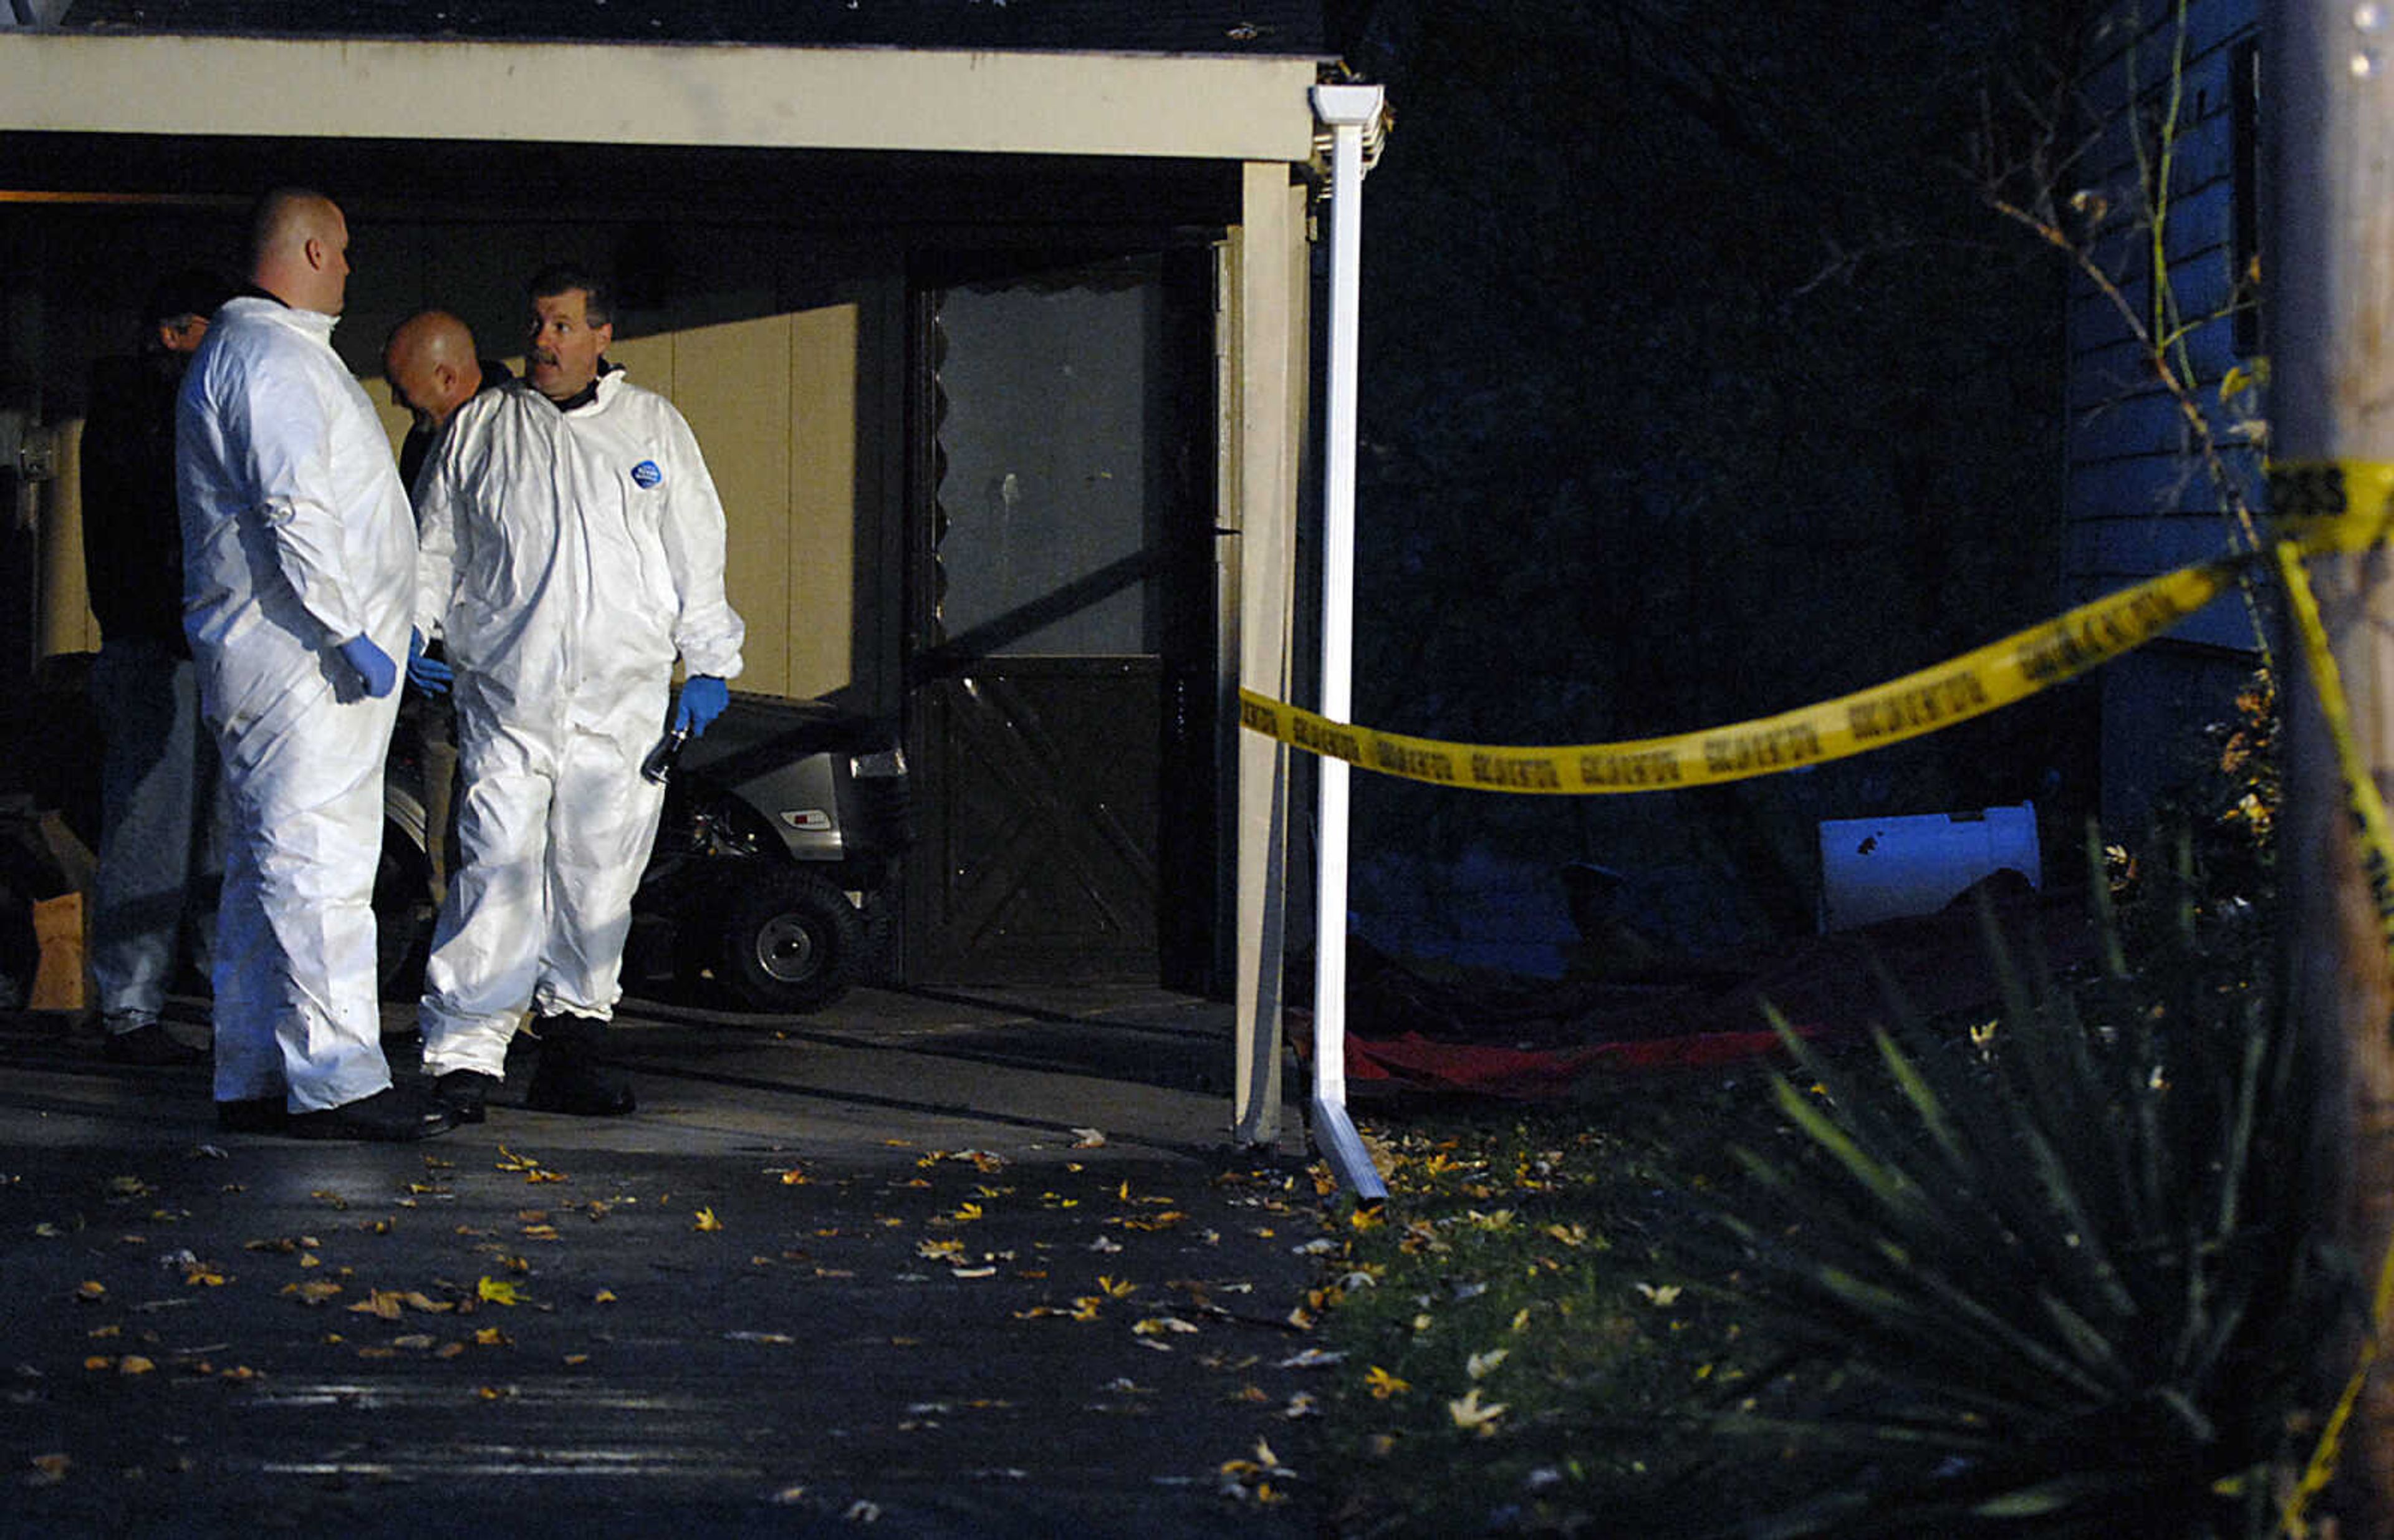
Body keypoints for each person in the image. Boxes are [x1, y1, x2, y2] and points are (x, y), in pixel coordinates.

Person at [412, 262, 743, 1123]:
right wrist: (414, 634)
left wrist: (709, 662)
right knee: (494, 868)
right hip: (508, 697)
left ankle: (575, 1045)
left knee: (598, 875)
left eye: (563, 325)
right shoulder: (481, 430)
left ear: (603, 336)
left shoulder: (653, 431)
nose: (545, 341)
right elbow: (432, 551)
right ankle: (465, 1056)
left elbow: (695, 550)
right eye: (536, 324)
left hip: (620, 702)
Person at [176, 188, 456, 1141]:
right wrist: (354, 632)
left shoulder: (267, 355)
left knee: (266, 874)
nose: (348, 267)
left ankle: (253, 1069)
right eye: (340, 251)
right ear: (305, 248)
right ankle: (339, 1079)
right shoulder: (271, 362)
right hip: (303, 668)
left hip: (296, 663)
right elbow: (295, 514)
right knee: (319, 866)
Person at [80, 267, 232, 1066]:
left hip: (164, 637)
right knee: (164, 821)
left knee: (191, 822)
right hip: (165, 640)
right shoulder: (152, 410)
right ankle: (138, 999)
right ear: (177, 333)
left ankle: (152, 994)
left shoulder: (131, 404)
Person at [382, 312, 514, 900]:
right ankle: (449, 944)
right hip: (444, 672)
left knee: (508, 834)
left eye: (410, 395)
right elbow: (420, 543)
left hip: (513, 673)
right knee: (447, 836)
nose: (403, 406)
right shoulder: (427, 438)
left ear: (445, 376)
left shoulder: (521, 434)